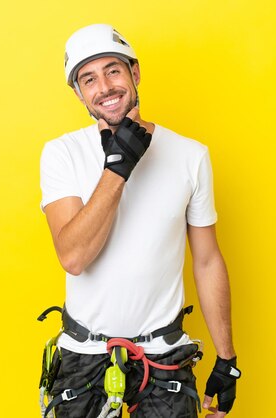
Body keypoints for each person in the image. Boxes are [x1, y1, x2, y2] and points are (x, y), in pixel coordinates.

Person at [39, 23, 241, 417]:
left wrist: (226, 357)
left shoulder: (190, 155)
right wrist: (118, 166)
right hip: (85, 355)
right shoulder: (61, 153)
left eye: (113, 70)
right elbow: (74, 257)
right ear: (79, 93)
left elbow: (207, 259)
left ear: (134, 73)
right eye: (89, 79)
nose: (105, 87)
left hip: (164, 357)